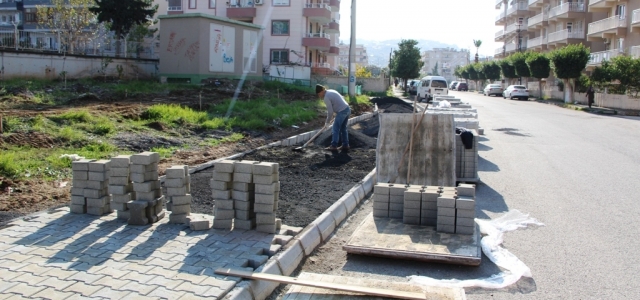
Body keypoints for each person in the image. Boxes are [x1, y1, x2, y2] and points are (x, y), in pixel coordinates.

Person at [316, 84, 350, 151]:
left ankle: (334, 146)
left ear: (321, 91)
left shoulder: (326, 97)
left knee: (335, 128)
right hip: (347, 109)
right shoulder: (331, 91)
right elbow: (341, 99)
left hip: (342, 111)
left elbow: (330, 112)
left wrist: (327, 122)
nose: (319, 96)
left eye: (319, 94)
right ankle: (345, 145)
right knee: (343, 128)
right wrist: (337, 112)